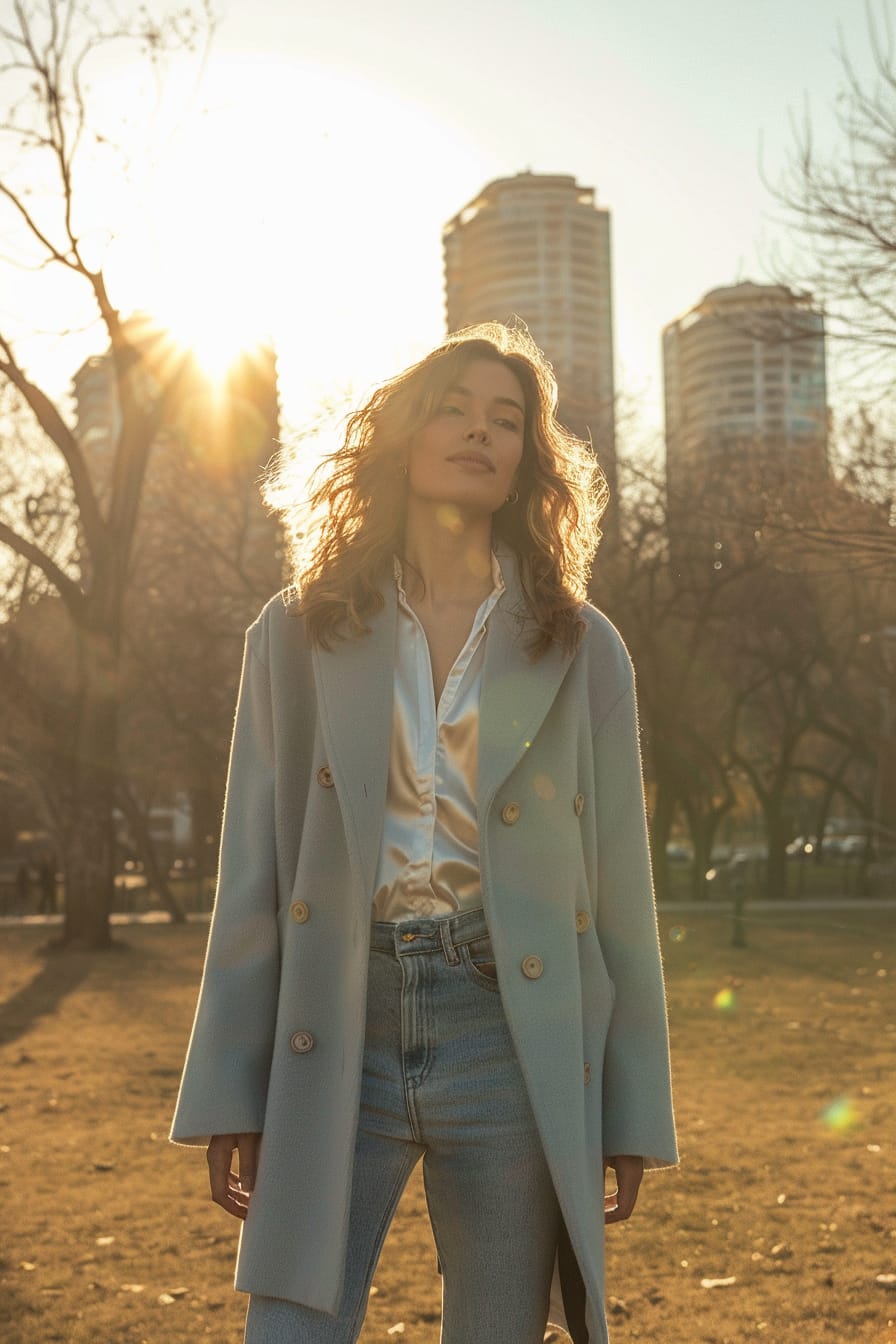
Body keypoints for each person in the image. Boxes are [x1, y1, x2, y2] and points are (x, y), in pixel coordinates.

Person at [170, 322, 678, 1344]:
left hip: (509, 1039)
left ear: (526, 463)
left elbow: (621, 890)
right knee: (288, 1330)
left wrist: (629, 1108)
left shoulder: (580, 645)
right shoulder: (297, 629)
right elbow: (253, 870)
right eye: (452, 408)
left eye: (506, 421)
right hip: (336, 1026)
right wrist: (230, 1080)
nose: (479, 433)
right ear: (399, 436)